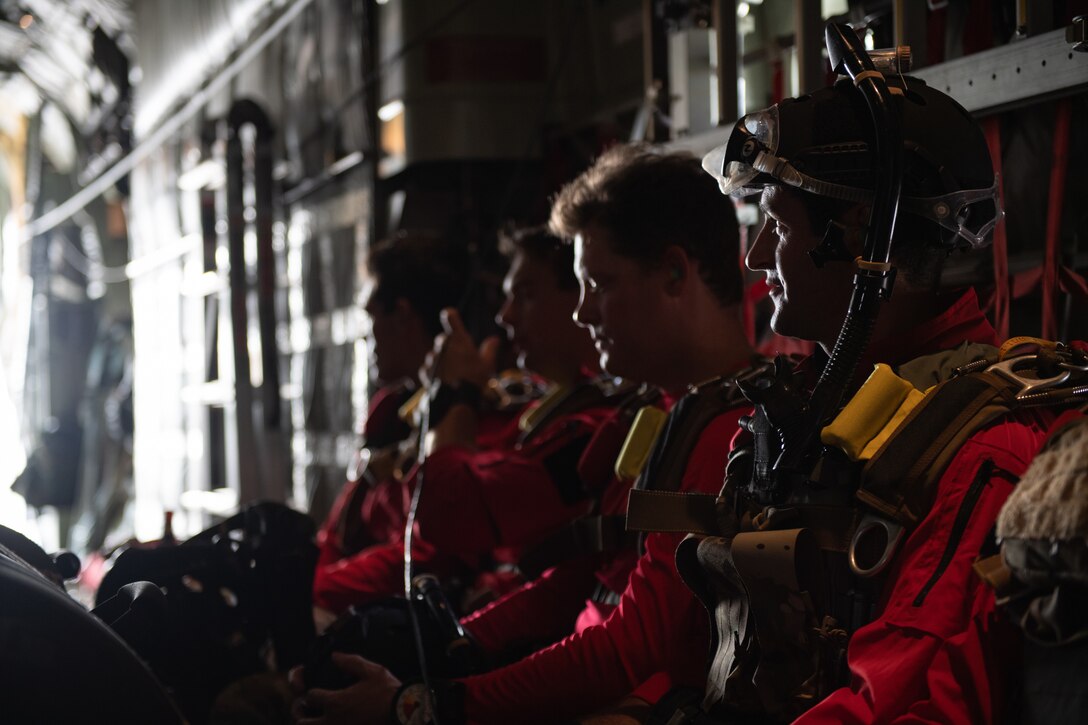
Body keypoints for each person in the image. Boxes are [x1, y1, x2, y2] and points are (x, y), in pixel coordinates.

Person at [655, 31, 1063, 723]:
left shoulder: (974, 452)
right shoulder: (812, 410)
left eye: (776, 226)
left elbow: (902, 703)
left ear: (857, 234)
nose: (756, 255)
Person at [291, 145, 760, 724]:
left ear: (672, 273)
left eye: (599, 284)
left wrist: (424, 706)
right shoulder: (660, 413)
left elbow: (629, 648)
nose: (584, 314)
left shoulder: (730, 435)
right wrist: (457, 646)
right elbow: (580, 577)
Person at [313, 227, 621, 618]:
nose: (504, 317)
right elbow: (340, 529)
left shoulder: (507, 416)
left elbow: (445, 521)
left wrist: (453, 394)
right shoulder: (390, 412)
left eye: (524, 295)